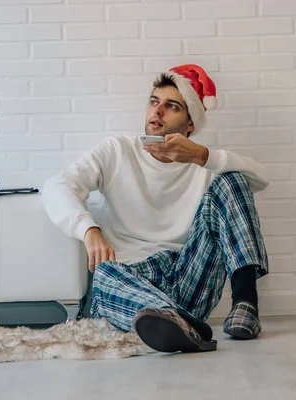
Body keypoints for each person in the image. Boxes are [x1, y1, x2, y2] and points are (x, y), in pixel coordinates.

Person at [42, 64, 270, 353]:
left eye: (171, 106)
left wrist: (204, 155)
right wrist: (89, 230)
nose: (157, 111)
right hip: (132, 278)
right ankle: (177, 323)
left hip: (187, 274)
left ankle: (245, 306)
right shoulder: (118, 150)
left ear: (190, 123)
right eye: (154, 101)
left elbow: (261, 179)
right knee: (105, 274)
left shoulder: (204, 164)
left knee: (233, 179)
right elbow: (57, 186)